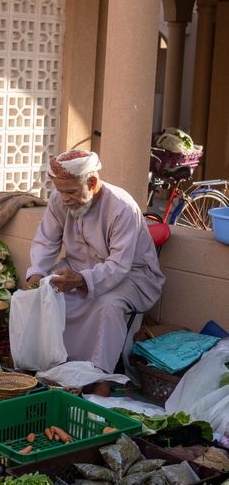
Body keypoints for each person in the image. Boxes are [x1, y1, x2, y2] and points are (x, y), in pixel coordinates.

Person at [25, 149, 165, 386]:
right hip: (78, 266)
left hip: (133, 275)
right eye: (60, 192)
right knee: (47, 292)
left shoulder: (122, 207)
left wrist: (80, 280)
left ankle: (101, 381)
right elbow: (46, 240)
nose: (65, 198)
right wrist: (37, 274)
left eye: (70, 191)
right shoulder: (59, 201)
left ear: (92, 182)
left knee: (107, 305)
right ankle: (57, 368)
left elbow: (120, 265)